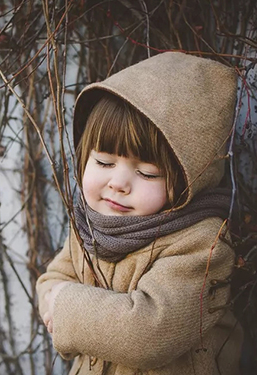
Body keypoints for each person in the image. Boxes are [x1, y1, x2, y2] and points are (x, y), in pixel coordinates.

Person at [36, 51, 243, 375]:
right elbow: (52, 280)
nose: (118, 183)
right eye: (104, 162)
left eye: (147, 173)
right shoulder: (90, 227)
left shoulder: (202, 245)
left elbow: (145, 333)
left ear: (188, 179)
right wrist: (55, 294)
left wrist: (63, 305)